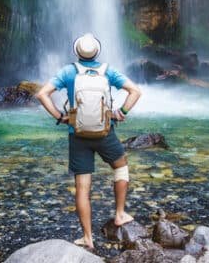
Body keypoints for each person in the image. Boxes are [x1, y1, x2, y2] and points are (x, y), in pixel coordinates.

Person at [35, 33, 143, 251]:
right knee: (121, 168)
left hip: (78, 135)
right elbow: (135, 91)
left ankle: (88, 238)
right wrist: (119, 112)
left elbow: (42, 94)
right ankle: (120, 214)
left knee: (82, 188)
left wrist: (59, 116)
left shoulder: (68, 71)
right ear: (97, 52)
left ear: (77, 52)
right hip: (105, 132)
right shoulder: (107, 71)